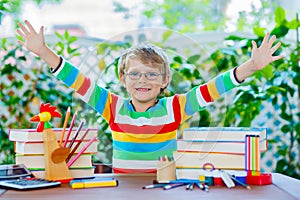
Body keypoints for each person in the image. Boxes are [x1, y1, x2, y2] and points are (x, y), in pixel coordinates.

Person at [16, 20, 283, 173]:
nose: (143, 80)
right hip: (122, 190)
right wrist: (43, 52)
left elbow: (212, 88)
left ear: (165, 81)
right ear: (123, 79)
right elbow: (78, 81)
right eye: (135, 74)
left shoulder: (175, 108)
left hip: (163, 188)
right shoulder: (112, 106)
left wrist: (251, 67)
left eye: (152, 75)